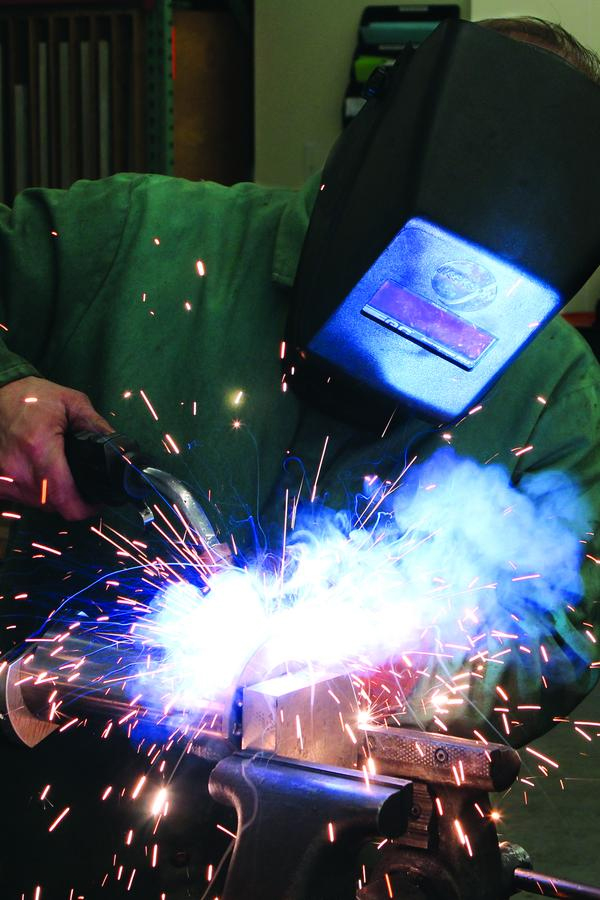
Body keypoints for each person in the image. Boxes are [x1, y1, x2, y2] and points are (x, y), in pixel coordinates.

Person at [0, 15, 598, 900]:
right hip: (40, 820)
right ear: (368, 166)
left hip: (323, 860)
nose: (429, 322)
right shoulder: (135, 242)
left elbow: (562, 623)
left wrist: (414, 677)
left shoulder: (554, 392)